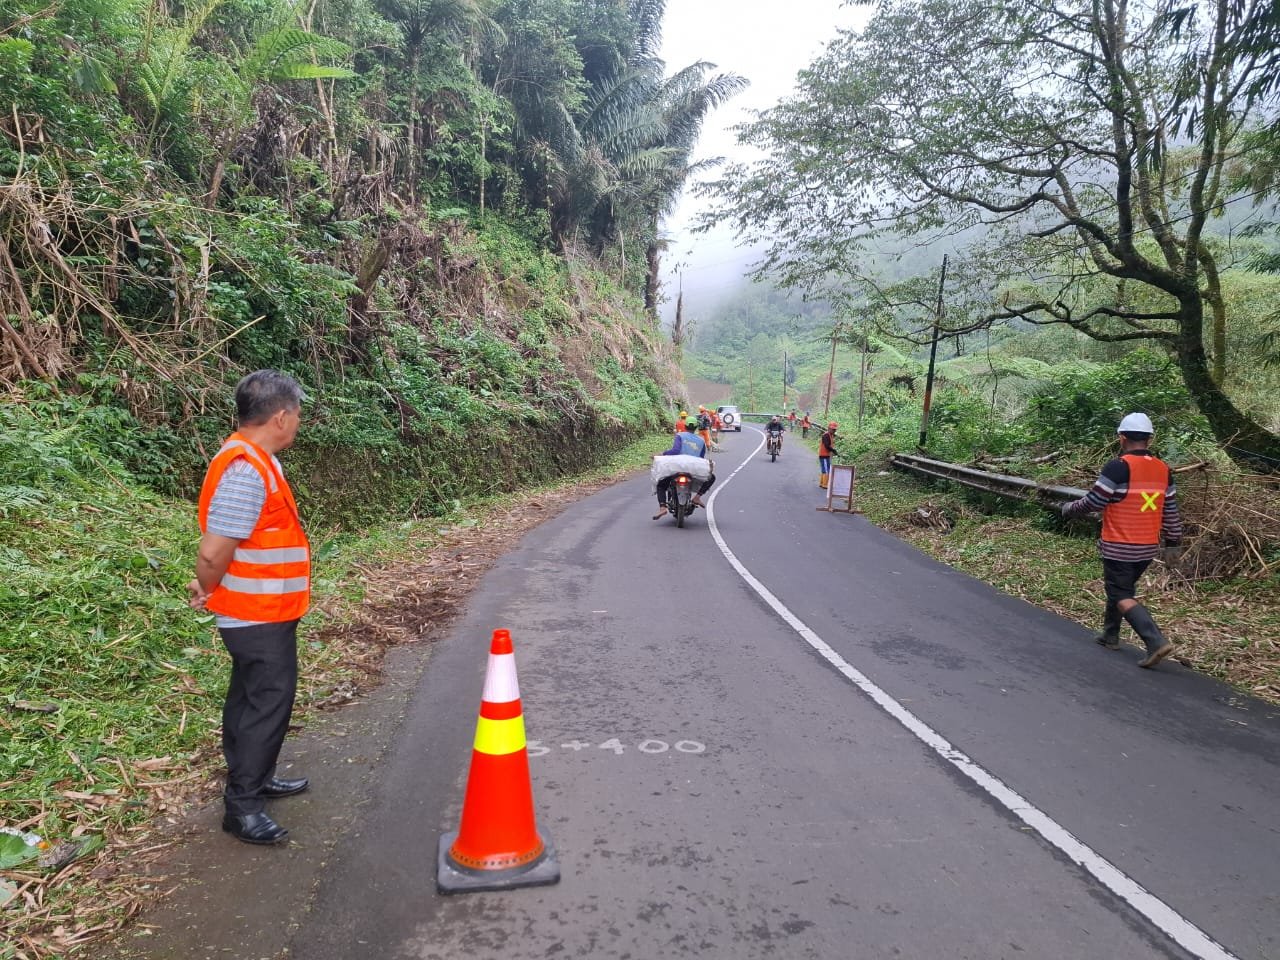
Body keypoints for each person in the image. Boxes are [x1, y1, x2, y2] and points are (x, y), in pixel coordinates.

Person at [188, 370, 311, 845]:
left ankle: (256, 777)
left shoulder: (257, 460)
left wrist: (208, 584)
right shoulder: (246, 470)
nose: (297, 423)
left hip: (264, 609)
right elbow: (213, 552)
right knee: (267, 704)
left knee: (247, 699)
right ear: (280, 417)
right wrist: (205, 585)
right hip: (255, 613)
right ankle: (242, 808)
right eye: (296, 415)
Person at [1061, 413, 1183, 668]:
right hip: (1147, 547)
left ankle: (1155, 640)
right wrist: (1173, 543)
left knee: (1120, 593)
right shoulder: (1164, 470)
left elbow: (1095, 501)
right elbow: (1171, 511)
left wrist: (1070, 508)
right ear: (1150, 439)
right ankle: (1110, 635)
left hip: (1119, 545)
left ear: (1121, 438)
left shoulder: (1118, 467)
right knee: (1120, 588)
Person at [653, 421, 716, 519]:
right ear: (696, 428)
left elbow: (675, 450)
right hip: (693, 468)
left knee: (661, 484)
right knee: (712, 477)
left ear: (685, 426)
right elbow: (701, 457)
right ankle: (697, 497)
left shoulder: (680, 435)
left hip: (678, 467)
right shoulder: (701, 440)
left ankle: (662, 507)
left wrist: (663, 454)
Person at [818, 421, 839, 488]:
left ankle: (822, 483)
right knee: (826, 470)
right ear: (829, 428)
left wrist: (833, 451)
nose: (834, 431)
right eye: (833, 429)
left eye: (835, 430)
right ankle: (825, 484)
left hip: (827, 455)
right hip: (823, 455)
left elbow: (830, 445)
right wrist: (833, 450)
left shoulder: (830, 435)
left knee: (826, 468)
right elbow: (827, 445)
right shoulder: (826, 435)